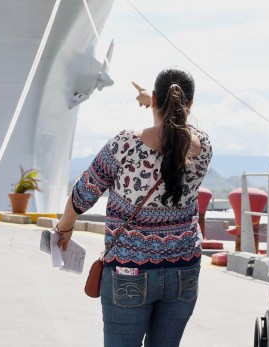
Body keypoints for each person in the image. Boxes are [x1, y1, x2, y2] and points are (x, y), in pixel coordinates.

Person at [54, 67, 213, 347]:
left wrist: (64, 227)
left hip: (130, 270)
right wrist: (153, 101)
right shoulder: (203, 147)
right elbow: (174, 129)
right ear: (190, 103)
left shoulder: (126, 144)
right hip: (184, 268)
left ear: (155, 98)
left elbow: (85, 192)